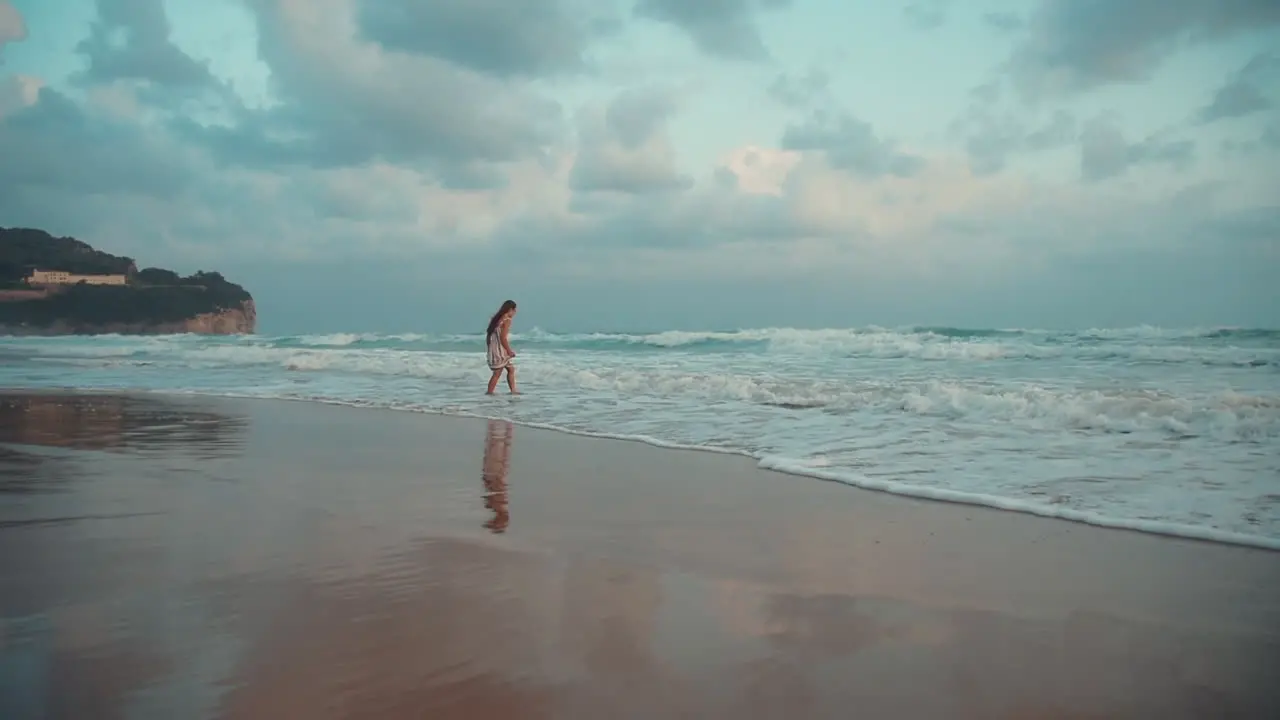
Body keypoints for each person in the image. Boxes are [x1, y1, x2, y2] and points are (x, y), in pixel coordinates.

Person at [485, 299, 519, 395]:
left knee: (510, 369)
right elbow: (503, 338)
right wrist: (509, 351)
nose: (515, 312)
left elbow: (489, 335)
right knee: (497, 373)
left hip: (494, 348)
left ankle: (513, 391)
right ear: (510, 310)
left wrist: (489, 348)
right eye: (514, 310)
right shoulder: (507, 320)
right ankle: (489, 393)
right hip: (500, 350)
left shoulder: (496, 319)